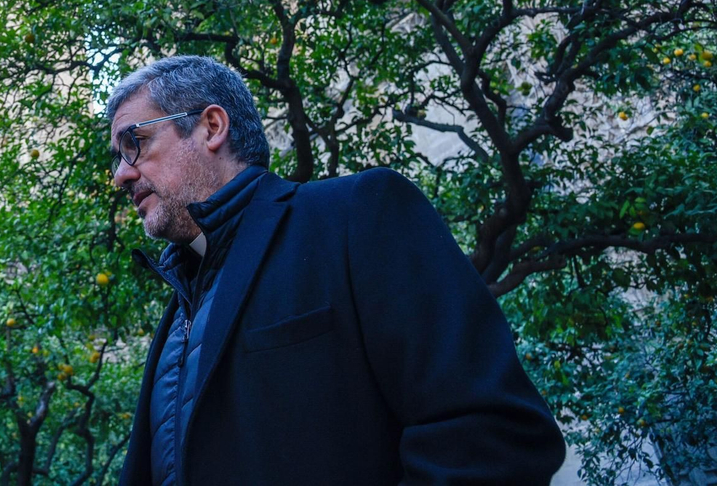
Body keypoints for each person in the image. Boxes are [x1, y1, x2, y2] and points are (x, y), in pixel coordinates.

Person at [107, 55, 565, 486]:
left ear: (211, 126)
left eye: (135, 143)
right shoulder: (179, 307)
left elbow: (493, 436)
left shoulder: (358, 214)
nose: (120, 175)